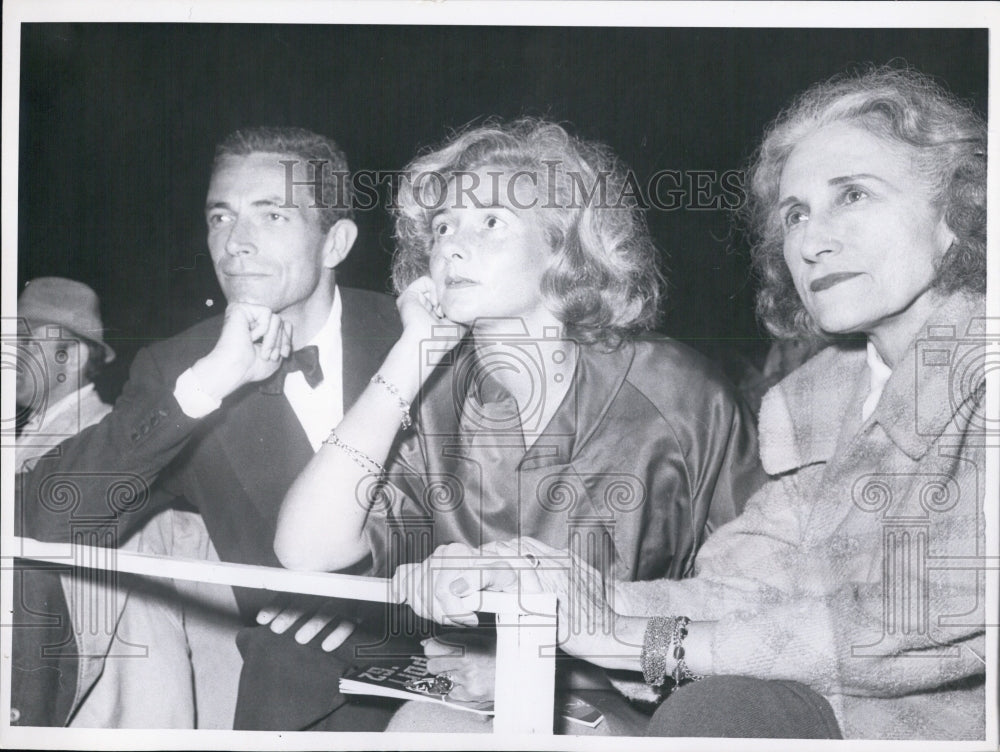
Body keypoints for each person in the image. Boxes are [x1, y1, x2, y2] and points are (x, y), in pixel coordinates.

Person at [405, 68, 988, 740]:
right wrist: (531, 582)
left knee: (716, 711)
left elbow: (914, 621)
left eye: (852, 195)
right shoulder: (817, 402)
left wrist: (635, 640)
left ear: (958, 209)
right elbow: (738, 588)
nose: (810, 240)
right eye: (794, 213)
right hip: (815, 716)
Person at [275, 118, 765, 721]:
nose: (452, 244)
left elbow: (759, 611)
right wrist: (412, 351)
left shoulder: (682, 394)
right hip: (476, 708)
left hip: (648, 707)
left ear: (563, 248)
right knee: (424, 725)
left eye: (490, 222)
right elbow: (306, 549)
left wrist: (546, 669)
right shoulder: (434, 397)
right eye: (443, 226)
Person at [15, 127, 403, 731]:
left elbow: (498, 512)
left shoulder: (414, 337)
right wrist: (208, 385)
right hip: (303, 709)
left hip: (450, 673)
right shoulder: (181, 371)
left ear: (336, 241)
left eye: (271, 215)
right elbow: (44, 520)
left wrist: (379, 599)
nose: (235, 245)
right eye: (221, 217)